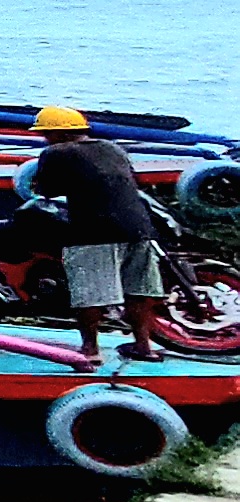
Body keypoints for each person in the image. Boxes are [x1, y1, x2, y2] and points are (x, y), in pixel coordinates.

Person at [27, 106, 167, 364]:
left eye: (46, 133)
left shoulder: (56, 152)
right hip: (139, 228)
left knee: (88, 292)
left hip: (95, 230)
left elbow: (46, 190)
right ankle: (143, 346)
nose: (44, 139)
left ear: (59, 134)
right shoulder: (113, 148)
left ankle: (90, 349)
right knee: (138, 290)